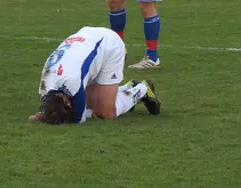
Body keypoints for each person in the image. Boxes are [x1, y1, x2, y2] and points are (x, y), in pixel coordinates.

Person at [29, 27, 161, 124]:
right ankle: (129, 86)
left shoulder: (72, 82)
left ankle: (141, 89)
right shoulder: (44, 89)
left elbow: (79, 119)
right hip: (86, 41)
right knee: (92, 107)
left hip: (110, 45)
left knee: (105, 113)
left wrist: (43, 116)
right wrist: (48, 114)